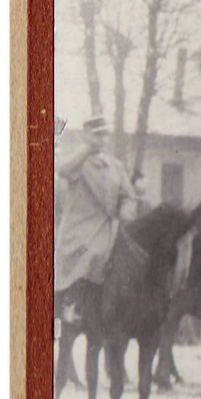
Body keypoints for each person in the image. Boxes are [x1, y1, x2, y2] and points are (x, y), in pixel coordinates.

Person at [53, 115, 133, 316]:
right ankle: (71, 306)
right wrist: (86, 148)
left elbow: (128, 195)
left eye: (104, 135)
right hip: (79, 232)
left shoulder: (116, 166)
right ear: (87, 136)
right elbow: (62, 169)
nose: (102, 139)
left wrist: (125, 210)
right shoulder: (78, 162)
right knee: (88, 255)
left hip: (108, 229)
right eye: (97, 135)